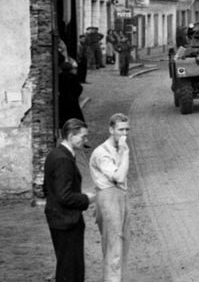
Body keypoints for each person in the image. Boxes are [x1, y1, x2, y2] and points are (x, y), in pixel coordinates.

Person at [44, 118, 95, 282]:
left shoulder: (57, 154)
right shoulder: (63, 160)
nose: (85, 141)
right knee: (70, 269)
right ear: (71, 135)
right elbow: (64, 195)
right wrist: (87, 198)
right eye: (83, 137)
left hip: (61, 218)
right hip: (66, 221)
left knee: (68, 266)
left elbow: (49, 188)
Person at [89, 113, 131, 282]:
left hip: (121, 196)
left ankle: (119, 279)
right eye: (120, 129)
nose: (125, 133)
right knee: (113, 243)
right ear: (111, 129)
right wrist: (126, 153)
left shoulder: (118, 149)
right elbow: (119, 177)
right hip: (108, 197)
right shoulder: (101, 152)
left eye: (127, 129)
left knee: (123, 241)